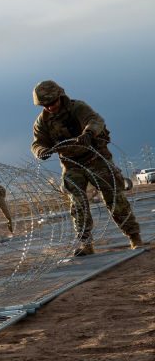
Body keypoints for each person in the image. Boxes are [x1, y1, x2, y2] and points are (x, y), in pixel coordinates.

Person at [31, 80, 144, 255]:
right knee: (77, 204)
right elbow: (37, 143)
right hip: (71, 164)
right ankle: (86, 244)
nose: (50, 107)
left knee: (114, 198)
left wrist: (89, 133)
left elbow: (95, 120)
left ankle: (134, 237)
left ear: (60, 97)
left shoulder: (78, 108)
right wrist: (41, 151)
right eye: (46, 105)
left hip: (95, 159)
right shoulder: (42, 122)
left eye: (53, 102)